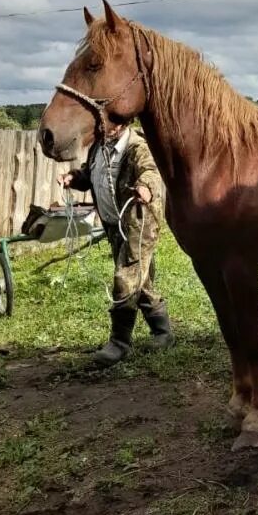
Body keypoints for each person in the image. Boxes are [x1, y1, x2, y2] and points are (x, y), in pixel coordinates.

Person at [60, 123, 174, 365]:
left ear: (124, 122)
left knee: (125, 278)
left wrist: (145, 187)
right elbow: (90, 175)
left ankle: (119, 343)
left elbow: (151, 171)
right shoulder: (99, 147)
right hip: (115, 224)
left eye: (113, 122)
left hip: (139, 223)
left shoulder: (137, 146)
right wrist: (73, 177)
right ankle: (163, 333)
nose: (107, 127)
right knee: (141, 281)